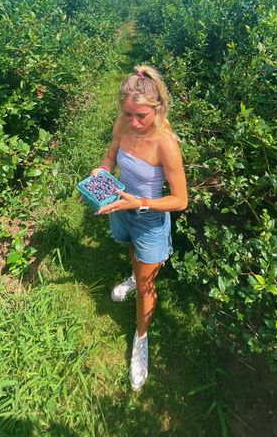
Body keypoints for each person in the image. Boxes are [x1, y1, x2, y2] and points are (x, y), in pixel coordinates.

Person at [92, 65, 188, 391]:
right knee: (130, 249)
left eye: (141, 116)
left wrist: (140, 203)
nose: (133, 122)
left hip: (147, 216)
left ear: (157, 108)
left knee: (148, 289)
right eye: (127, 113)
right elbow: (110, 157)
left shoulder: (166, 144)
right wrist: (101, 174)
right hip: (123, 207)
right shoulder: (123, 124)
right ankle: (133, 276)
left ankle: (141, 340)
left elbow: (180, 200)